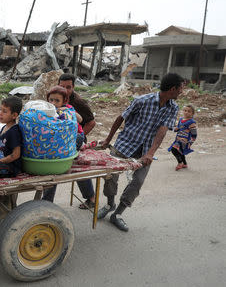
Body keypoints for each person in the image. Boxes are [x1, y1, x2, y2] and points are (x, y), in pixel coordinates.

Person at [97, 73, 184, 232]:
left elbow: (162, 131)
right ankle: (110, 204)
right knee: (110, 177)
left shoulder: (173, 108)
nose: (182, 92)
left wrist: (150, 153)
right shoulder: (142, 101)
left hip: (145, 151)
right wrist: (108, 139)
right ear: (173, 89)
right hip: (125, 144)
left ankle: (117, 214)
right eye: (181, 89)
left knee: (137, 183)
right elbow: (120, 118)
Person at [42, 74, 96, 208]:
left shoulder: (77, 103)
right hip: (58, 140)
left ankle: (91, 198)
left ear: (73, 87)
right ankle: (47, 202)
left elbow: (90, 122)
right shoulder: (53, 101)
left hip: (74, 139)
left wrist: (77, 137)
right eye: (62, 86)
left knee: (67, 169)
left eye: (69, 87)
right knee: (54, 168)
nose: (65, 89)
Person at [168, 104, 197, 170]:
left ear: (192, 113)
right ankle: (185, 164)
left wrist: (190, 142)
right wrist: (170, 128)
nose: (186, 112)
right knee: (180, 151)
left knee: (174, 149)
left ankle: (180, 163)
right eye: (185, 110)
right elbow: (177, 129)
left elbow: (194, 134)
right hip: (178, 139)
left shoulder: (192, 122)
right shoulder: (181, 119)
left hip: (185, 140)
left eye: (189, 111)